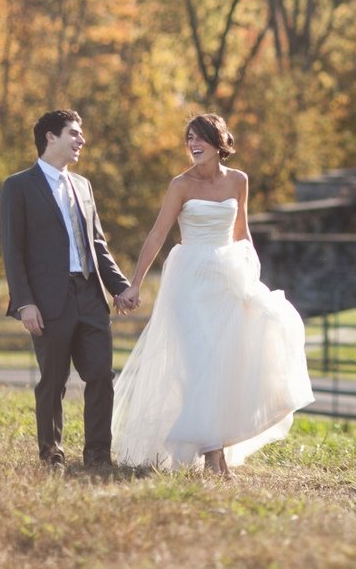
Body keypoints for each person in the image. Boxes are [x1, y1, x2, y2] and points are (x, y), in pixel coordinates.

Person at [111, 113, 313, 474]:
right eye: (189, 138)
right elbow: (158, 234)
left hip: (228, 278)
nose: (192, 144)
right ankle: (213, 458)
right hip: (189, 280)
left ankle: (215, 453)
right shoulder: (180, 185)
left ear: (218, 142)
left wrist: (252, 275)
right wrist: (136, 282)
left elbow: (242, 231)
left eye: (199, 137)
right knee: (198, 361)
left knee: (224, 363)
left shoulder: (239, 181)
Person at [1, 109, 135, 468]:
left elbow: (98, 244)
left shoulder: (83, 186)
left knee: (101, 377)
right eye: (74, 133)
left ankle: (97, 455)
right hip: (47, 301)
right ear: (50, 137)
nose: (81, 140)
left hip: (91, 296)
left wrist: (120, 287)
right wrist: (25, 303)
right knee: (53, 381)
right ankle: (51, 454)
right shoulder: (18, 186)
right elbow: (12, 252)